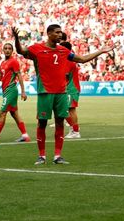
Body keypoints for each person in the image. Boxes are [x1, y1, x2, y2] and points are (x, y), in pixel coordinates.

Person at [12, 24, 114, 165]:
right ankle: (41, 156)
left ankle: (57, 156)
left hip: (61, 93)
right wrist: (16, 39)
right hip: (45, 92)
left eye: (61, 32)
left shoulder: (64, 51)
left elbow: (82, 59)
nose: (60, 35)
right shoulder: (37, 48)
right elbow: (21, 50)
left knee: (60, 123)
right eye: (57, 32)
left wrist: (100, 51)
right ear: (49, 34)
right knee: (42, 123)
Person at [0, 42, 30, 143]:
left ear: (12, 51)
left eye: (9, 48)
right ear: (3, 50)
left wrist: (23, 91)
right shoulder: (3, 63)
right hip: (6, 91)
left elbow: (19, 76)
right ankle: (25, 136)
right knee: (14, 114)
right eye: (5, 48)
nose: (7, 50)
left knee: (2, 112)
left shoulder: (14, 62)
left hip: (11, 90)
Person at [60, 41, 81, 139]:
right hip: (70, 88)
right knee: (67, 110)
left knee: (68, 110)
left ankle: (75, 131)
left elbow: (65, 75)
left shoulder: (68, 61)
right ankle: (74, 130)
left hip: (71, 89)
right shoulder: (69, 60)